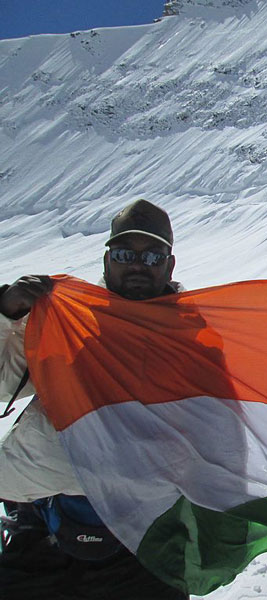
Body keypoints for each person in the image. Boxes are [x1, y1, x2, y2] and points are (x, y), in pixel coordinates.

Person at [0, 199, 188, 600]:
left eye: (152, 255)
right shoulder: (66, 320)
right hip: (39, 517)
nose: (137, 264)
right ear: (106, 262)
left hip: (142, 533)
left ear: (169, 266)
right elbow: (3, 384)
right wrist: (7, 315)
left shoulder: (196, 339)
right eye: (124, 253)